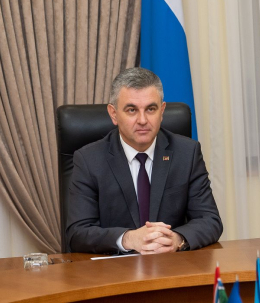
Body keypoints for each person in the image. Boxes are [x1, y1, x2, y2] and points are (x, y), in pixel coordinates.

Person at [66, 68, 223, 254]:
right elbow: (77, 232)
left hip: (171, 264)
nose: (142, 120)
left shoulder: (187, 153)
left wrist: (177, 239)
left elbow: (210, 220)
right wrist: (128, 239)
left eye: (150, 109)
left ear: (162, 111)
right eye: (132, 110)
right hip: (115, 268)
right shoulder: (89, 160)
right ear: (113, 114)